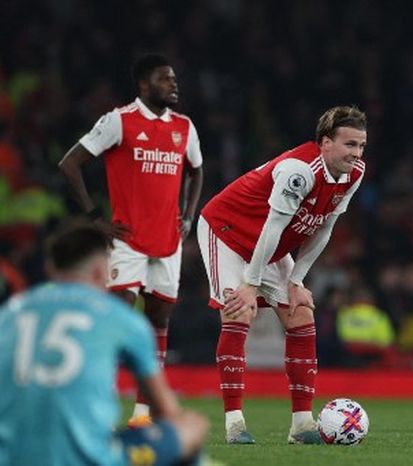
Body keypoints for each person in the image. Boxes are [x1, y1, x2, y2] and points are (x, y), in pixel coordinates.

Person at [197, 106, 367, 444]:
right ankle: (234, 424)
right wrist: (250, 284)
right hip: (227, 231)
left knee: (300, 311)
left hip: (268, 244)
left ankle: (302, 425)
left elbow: (324, 227)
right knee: (239, 309)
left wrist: (296, 281)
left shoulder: (355, 172)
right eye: (349, 145)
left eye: (361, 146)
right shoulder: (299, 172)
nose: (356, 153)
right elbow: (273, 227)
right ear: (325, 143)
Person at [58, 53, 204, 426]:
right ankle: (99, 399)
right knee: (117, 314)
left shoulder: (184, 127)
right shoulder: (118, 121)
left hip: (168, 241)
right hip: (128, 239)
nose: (174, 84)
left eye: (174, 79)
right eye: (165, 79)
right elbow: (70, 163)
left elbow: (197, 170)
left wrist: (188, 216)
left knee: (158, 320)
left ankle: (142, 412)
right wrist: (96, 219)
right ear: (143, 84)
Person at [0, 221, 209, 466]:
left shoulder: (11, 312)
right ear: (102, 271)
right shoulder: (120, 318)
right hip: (91, 458)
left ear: (49, 268)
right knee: (190, 428)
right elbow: (166, 413)